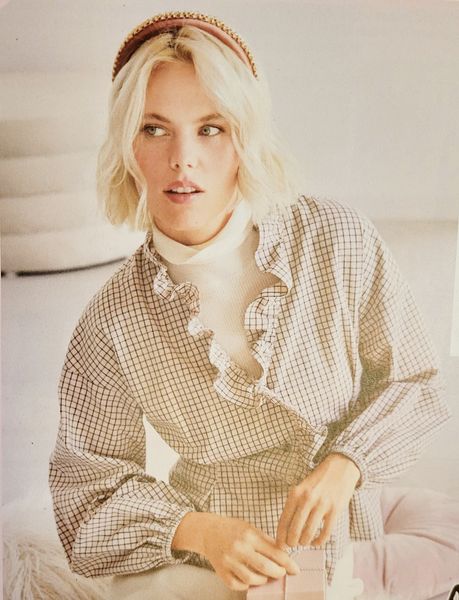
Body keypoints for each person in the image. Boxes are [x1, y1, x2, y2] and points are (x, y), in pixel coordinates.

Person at [48, 11, 456, 600]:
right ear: (126, 145)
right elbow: (85, 494)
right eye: (154, 129)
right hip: (213, 567)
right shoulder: (111, 322)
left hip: (351, 546)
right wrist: (200, 531)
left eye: (210, 128)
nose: (182, 159)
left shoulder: (337, 239)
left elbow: (414, 380)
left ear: (246, 137)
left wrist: (346, 463)